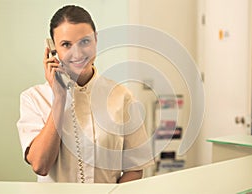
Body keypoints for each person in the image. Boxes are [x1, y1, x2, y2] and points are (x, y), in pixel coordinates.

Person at [17, 5, 153, 183]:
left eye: (85, 42)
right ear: (52, 49)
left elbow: (135, 169)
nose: (78, 53)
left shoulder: (122, 97)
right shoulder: (34, 98)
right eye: (66, 44)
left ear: (96, 40)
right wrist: (59, 99)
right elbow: (40, 166)